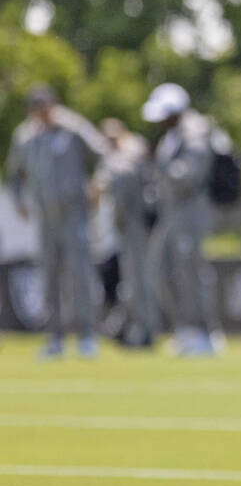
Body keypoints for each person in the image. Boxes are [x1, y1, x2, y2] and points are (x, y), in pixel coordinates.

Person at [6, 87, 108, 358]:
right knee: (49, 276)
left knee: (79, 273)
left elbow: (103, 157)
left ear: (53, 104)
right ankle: (55, 338)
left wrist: (99, 183)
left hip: (74, 213)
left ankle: (86, 335)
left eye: (44, 106)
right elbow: (14, 172)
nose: (41, 112)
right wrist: (18, 200)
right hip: (44, 216)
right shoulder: (25, 135)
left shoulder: (73, 128)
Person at [142, 82, 217, 357]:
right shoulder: (172, 136)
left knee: (191, 274)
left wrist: (157, 168)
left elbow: (188, 175)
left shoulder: (194, 134)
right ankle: (186, 328)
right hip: (171, 214)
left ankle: (204, 332)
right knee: (161, 270)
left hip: (190, 215)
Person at [94, 118, 156, 347]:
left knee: (140, 281)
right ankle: (134, 328)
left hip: (138, 226)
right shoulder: (112, 158)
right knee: (129, 282)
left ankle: (145, 331)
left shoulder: (132, 152)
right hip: (122, 231)